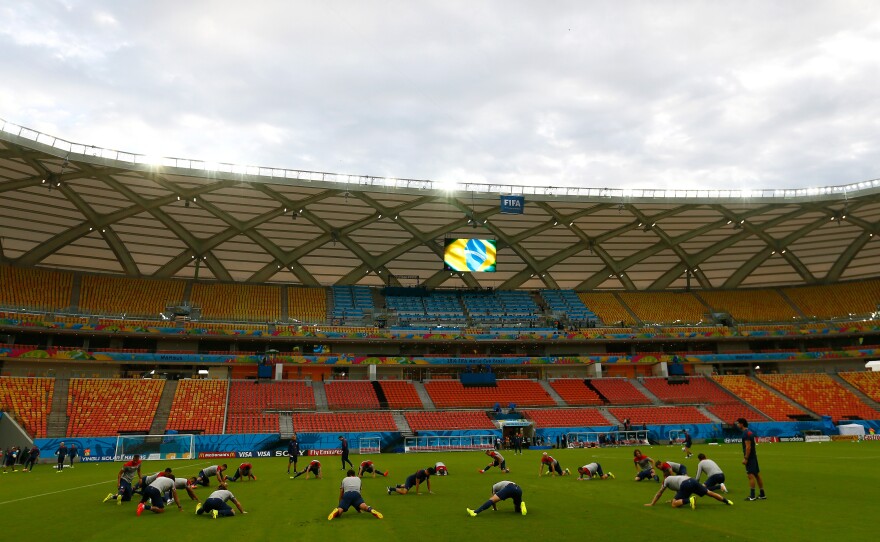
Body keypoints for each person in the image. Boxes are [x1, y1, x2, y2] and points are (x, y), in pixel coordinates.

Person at [644, 474, 734, 509]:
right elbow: (679, 493)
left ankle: (690, 500)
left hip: (685, 484)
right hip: (693, 480)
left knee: (674, 504)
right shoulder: (676, 477)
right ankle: (727, 501)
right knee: (709, 493)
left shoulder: (666, 481)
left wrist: (652, 503)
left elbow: (659, 493)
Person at [736, 418, 766, 501]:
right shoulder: (750, 432)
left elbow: (748, 447)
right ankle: (762, 494)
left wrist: (746, 458)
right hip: (754, 456)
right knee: (757, 475)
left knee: (750, 476)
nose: (737, 425)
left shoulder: (746, 434)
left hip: (750, 457)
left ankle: (752, 496)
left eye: (738, 423)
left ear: (742, 424)